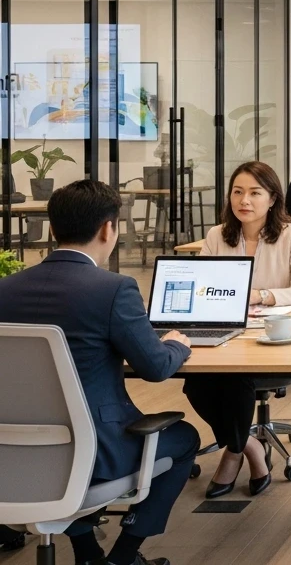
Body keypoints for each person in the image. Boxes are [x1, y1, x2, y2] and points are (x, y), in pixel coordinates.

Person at [0, 180, 199, 565]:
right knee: (184, 437)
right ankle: (123, 557)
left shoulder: (5, 290)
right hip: (95, 454)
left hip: (12, 455)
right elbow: (156, 367)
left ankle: (87, 553)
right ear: (109, 228)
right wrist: (178, 344)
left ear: (54, 228)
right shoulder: (113, 289)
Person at [184, 161, 291, 499]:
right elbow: (199, 287)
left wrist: (261, 295)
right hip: (224, 333)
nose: (244, 200)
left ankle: (232, 455)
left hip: (272, 338)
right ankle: (250, 448)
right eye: (238, 192)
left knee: (235, 378)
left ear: (272, 199)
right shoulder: (217, 235)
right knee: (195, 383)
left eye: (255, 193)